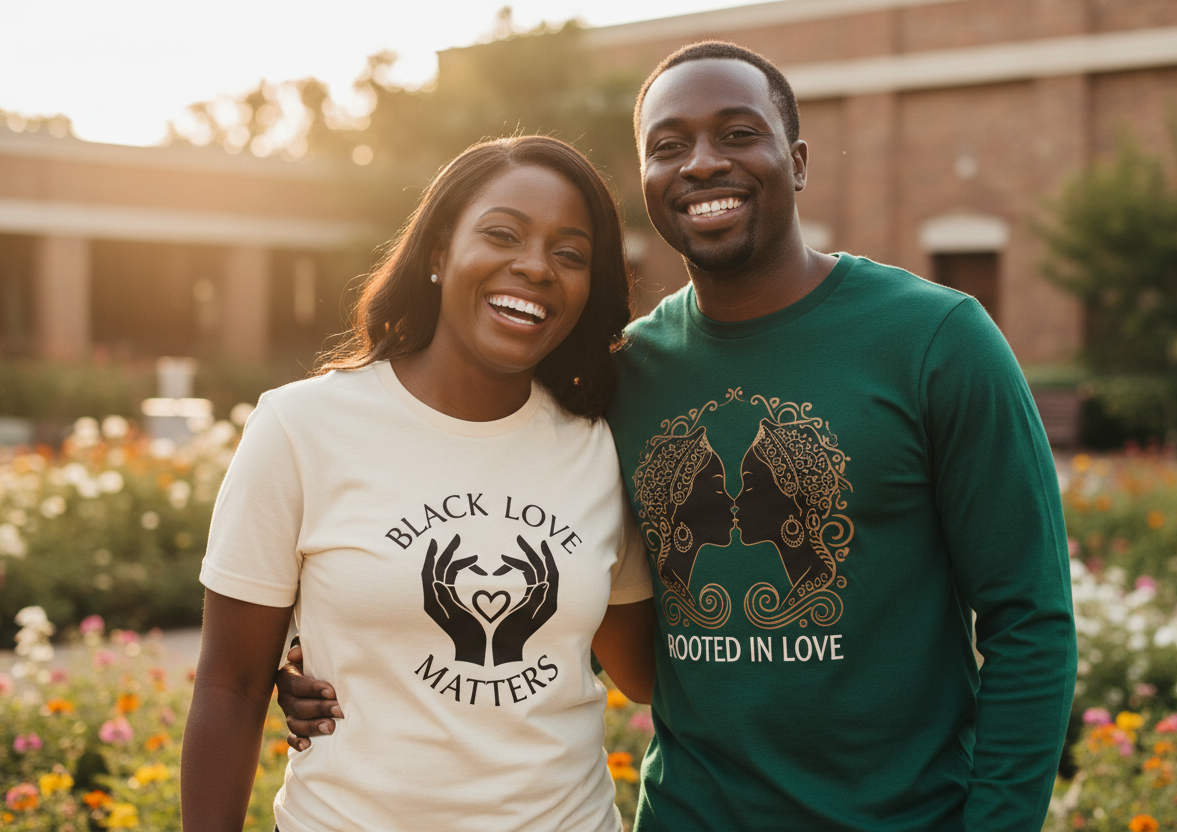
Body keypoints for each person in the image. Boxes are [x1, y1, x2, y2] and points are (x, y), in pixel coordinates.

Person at [279, 41, 1079, 832]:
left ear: (797, 160)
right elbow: (515, 525)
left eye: (738, 134)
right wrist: (344, 654)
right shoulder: (621, 374)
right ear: (649, 182)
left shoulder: (937, 340)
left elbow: (1029, 621)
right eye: (669, 146)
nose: (701, 164)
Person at [181, 135, 656, 832]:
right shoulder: (301, 427)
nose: (535, 266)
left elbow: (646, 675)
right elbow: (230, 685)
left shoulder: (598, 443)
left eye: (570, 253)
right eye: (503, 234)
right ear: (438, 252)